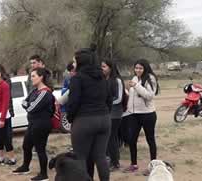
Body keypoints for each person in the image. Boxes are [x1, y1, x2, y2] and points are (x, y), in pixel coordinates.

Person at [66, 48, 112, 181]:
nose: (73, 64)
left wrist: (71, 118)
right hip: (104, 119)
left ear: (80, 62)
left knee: (81, 158)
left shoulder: (77, 78)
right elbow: (109, 99)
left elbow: (73, 102)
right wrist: (105, 113)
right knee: (100, 156)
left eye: (74, 61)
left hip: (84, 120)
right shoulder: (102, 77)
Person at [12, 68, 55, 181]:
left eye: (33, 76)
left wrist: (28, 104)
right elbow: (24, 102)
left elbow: (31, 107)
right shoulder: (34, 91)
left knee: (40, 149)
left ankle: (43, 174)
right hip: (33, 123)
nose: (31, 79)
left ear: (41, 77)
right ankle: (25, 167)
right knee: (26, 145)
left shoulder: (45, 92)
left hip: (41, 124)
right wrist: (28, 104)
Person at [123, 59, 160, 175]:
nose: (138, 70)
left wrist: (136, 86)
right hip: (134, 115)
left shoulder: (150, 79)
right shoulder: (135, 78)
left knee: (150, 140)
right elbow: (133, 97)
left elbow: (149, 96)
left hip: (148, 114)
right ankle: (133, 164)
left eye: (140, 68)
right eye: (136, 68)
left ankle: (153, 166)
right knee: (132, 139)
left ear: (145, 68)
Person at [102, 60, 125, 171]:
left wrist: (107, 104)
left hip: (115, 113)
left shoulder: (117, 80)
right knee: (108, 137)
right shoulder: (103, 80)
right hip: (106, 113)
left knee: (111, 137)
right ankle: (111, 159)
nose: (102, 68)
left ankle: (115, 163)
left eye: (104, 66)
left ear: (111, 68)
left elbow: (119, 98)